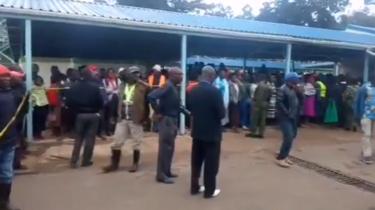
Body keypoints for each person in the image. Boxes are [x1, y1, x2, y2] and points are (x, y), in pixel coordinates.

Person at [102, 66, 149, 173]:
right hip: (122, 118)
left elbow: (147, 104)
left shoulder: (143, 87)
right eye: (133, 74)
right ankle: (114, 164)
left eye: (137, 73)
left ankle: (135, 164)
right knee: (117, 142)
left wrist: (145, 118)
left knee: (136, 142)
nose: (135, 75)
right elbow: (120, 75)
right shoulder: (122, 85)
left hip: (136, 118)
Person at [188, 66, 225, 199]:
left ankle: (194, 187)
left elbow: (189, 109)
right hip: (212, 134)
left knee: (196, 162)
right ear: (211, 76)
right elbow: (221, 114)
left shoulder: (193, 91)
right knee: (211, 163)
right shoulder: (215, 92)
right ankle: (209, 191)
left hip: (197, 132)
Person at [148, 67, 187, 184]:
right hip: (167, 120)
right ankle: (161, 174)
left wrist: (189, 113)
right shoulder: (167, 86)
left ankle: (167, 171)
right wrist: (158, 112)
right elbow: (151, 96)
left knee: (170, 147)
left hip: (172, 120)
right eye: (180, 75)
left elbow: (177, 106)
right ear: (173, 75)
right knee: (165, 148)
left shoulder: (173, 87)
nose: (182, 77)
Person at [66, 67, 104, 168]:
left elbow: (68, 102)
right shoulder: (95, 88)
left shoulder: (73, 87)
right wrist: (97, 111)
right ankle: (86, 161)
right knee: (90, 139)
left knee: (78, 139)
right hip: (93, 115)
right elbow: (101, 102)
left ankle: (74, 161)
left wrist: (75, 111)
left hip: (79, 115)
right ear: (89, 75)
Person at [0, 65, 21, 210]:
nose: (7, 79)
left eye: (9, 76)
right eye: (4, 76)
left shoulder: (13, 94)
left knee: (7, 174)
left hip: (9, 141)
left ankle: (4, 203)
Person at [276, 72, 300, 168]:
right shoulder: (282, 89)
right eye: (294, 81)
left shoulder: (293, 89)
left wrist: (299, 91)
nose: (296, 83)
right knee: (289, 136)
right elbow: (279, 103)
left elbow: (300, 100)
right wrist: (287, 112)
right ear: (289, 81)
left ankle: (285, 156)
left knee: (293, 135)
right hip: (284, 117)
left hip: (293, 116)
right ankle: (281, 158)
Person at [354, 81, 375, 164]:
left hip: (368, 116)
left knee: (368, 135)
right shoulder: (364, 88)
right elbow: (358, 102)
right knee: (367, 135)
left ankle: (366, 152)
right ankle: (367, 155)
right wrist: (357, 115)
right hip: (366, 115)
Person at [247, 74, 271, 139]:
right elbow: (269, 97)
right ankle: (261, 133)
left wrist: (255, 102)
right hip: (265, 103)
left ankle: (253, 132)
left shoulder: (260, 86)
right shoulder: (269, 87)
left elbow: (257, 95)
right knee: (263, 119)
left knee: (255, 118)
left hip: (258, 103)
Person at [103, 68, 119, 136]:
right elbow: (104, 90)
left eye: (112, 72)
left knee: (116, 115)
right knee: (109, 115)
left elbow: (120, 89)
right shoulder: (105, 81)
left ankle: (115, 129)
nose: (111, 74)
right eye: (110, 73)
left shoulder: (117, 80)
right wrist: (112, 90)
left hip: (116, 98)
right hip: (109, 99)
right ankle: (108, 130)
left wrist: (116, 90)